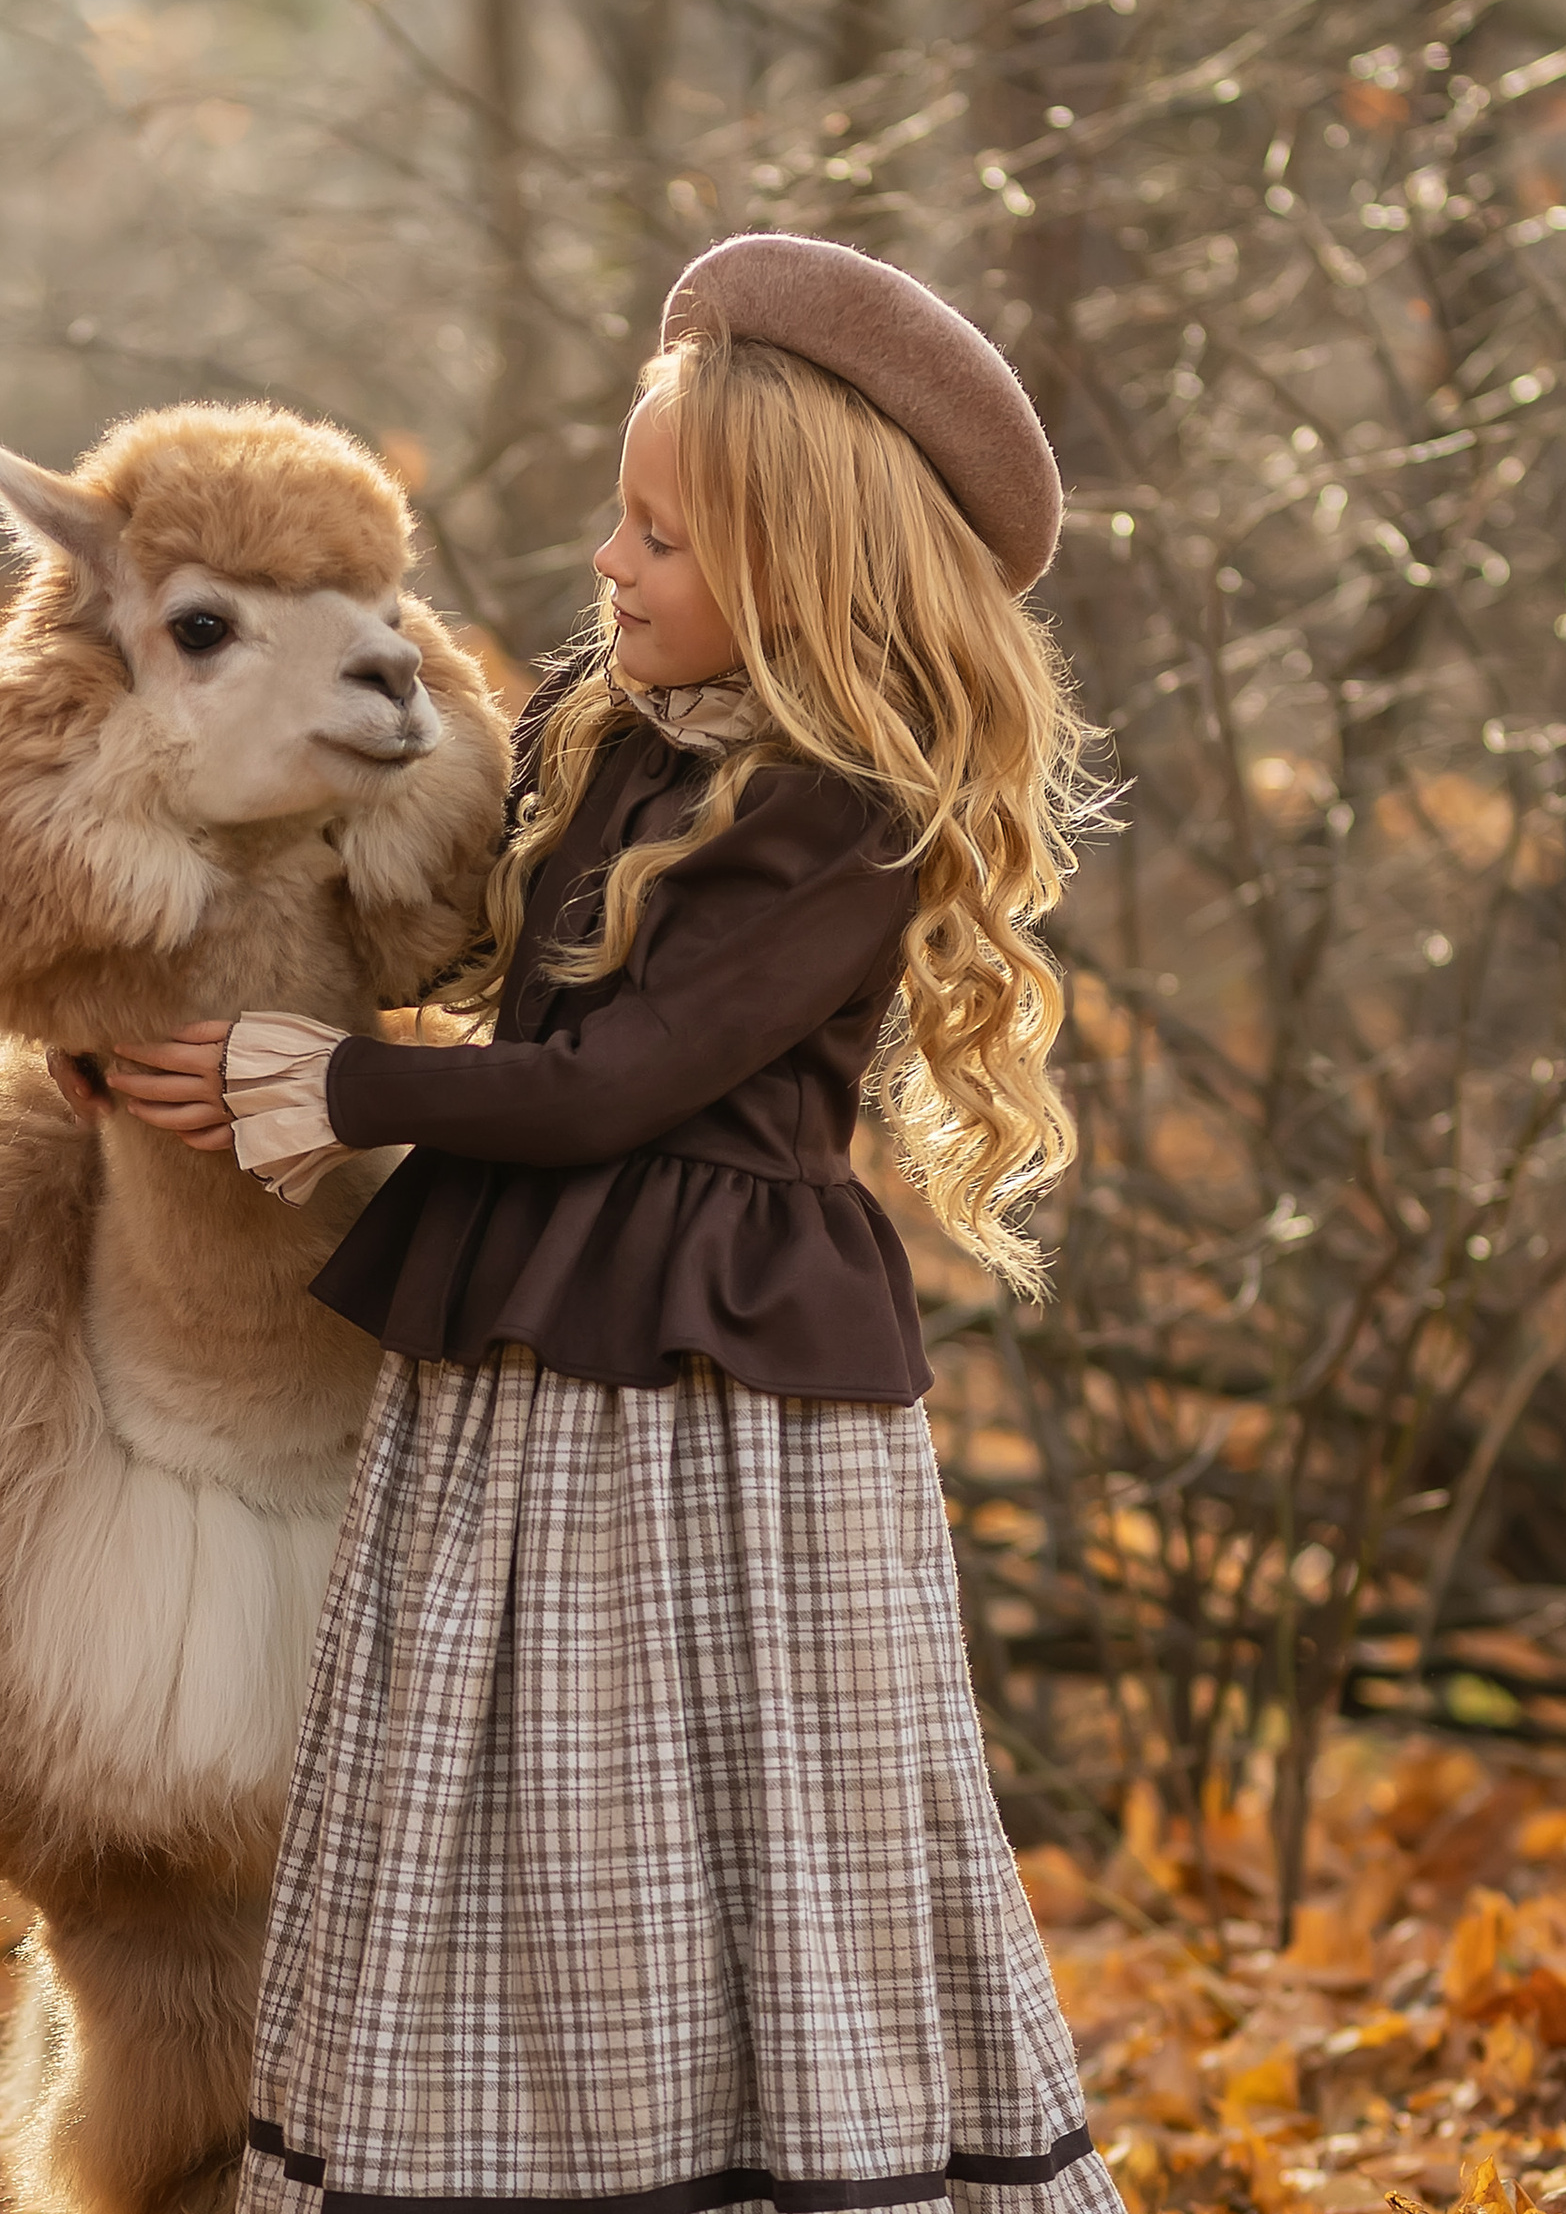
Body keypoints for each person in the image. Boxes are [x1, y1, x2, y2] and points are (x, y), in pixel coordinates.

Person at [108, 233, 1121, 2214]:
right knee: (501, 1796)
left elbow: (610, 1082)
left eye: (659, 532)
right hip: (516, 1361)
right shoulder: (608, 730)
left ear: (804, 563)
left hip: (711, 1399)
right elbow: (435, 934)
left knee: (708, 1803)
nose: (609, 562)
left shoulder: (845, 805)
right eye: (618, 515)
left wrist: (336, 1082)